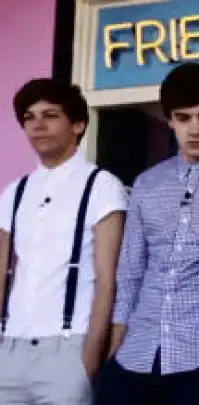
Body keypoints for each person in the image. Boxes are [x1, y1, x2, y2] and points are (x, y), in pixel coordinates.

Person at [95, 63, 199, 405]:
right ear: (170, 121)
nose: (195, 128)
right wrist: (115, 352)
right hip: (136, 354)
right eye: (183, 118)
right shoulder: (147, 183)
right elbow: (130, 273)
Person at [0, 78, 127, 404]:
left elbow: (108, 281)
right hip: (9, 346)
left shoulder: (102, 186)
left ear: (78, 125)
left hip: (68, 349)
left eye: (50, 115)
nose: (38, 125)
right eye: (29, 118)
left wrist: (89, 358)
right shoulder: (15, 191)